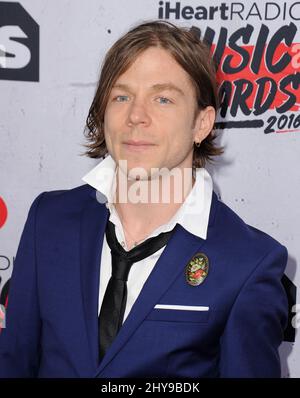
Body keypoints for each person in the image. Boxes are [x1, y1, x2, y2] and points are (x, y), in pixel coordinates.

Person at [0, 20, 288, 378]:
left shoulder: (248, 263)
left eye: (162, 98)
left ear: (202, 123)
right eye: (121, 96)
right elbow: (14, 363)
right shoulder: (49, 219)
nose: (136, 116)